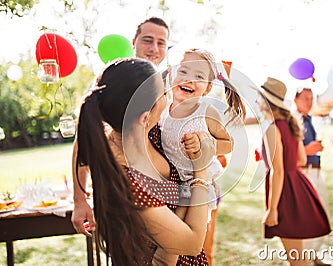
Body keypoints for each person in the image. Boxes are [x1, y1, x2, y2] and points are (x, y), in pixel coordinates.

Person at [74, 58, 215, 265]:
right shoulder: (127, 181)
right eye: (163, 94)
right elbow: (191, 244)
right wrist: (201, 170)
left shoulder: (153, 134)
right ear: (144, 117)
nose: (168, 97)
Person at [71, 16, 169, 236]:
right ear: (133, 42)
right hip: (123, 194)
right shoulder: (110, 80)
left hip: (168, 193)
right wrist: (80, 201)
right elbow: (83, 142)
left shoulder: (173, 84)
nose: (154, 48)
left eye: (161, 42)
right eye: (147, 40)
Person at [159, 48, 246, 265]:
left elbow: (229, 144)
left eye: (199, 76)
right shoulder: (163, 109)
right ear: (172, 75)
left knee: (175, 243)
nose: (189, 79)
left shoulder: (205, 112)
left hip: (198, 185)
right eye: (184, 71)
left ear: (207, 88)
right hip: (173, 183)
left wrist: (207, 144)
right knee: (165, 242)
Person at [255, 77, 331, 266]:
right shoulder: (290, 123)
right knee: (297, 255)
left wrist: (272, 210)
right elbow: (301, 160)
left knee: (296, 259)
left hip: (285, 193)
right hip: (296, 184)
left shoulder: (272, 128)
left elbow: (277, 171)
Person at [292, 87, 330, 265]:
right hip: (304, 172)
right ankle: (305, 258)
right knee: (308, 216)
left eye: (311, 98)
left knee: (322, 214)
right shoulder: (293, 120)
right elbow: (289, 153)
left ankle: (313, 254)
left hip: (315, 170)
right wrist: (308, 150)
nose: (309, 101)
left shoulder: (310, 119)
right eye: (305, 98)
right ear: (295, 100)